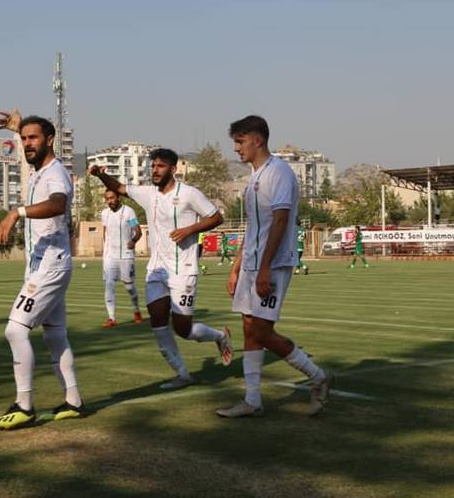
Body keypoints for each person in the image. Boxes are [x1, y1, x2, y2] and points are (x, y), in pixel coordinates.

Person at [217, 115, 332, 418]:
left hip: (274, 263)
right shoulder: (254, 177)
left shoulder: (278, 172)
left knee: (263, 332)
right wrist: (236, 267)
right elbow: (254, 227)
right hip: (252, 264)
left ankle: (318, 377)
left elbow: (281, 220)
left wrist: (265, 267)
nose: (236, 148)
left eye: (239, 141)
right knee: (248, 328)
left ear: (257, 139)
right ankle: (253, 400)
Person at [90, 149, 233, 390]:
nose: (154, 170)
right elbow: (121, 187)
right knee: (157, 323)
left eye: (160, 166)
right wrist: (100, 176)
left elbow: (216, 217)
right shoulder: (148, 194)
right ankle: (182, 374)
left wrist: (190, 230)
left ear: (173, 169)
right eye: (153, 166)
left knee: (183, 329)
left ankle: (220, 336)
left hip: (183, 269)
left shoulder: (189, 194)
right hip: (156, 270)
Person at [0, 110, 84, 430]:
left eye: (33, 139)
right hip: (44, 265)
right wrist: (19, 128)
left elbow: (58, 204)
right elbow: (32, 141)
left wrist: (17, 212)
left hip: (50, 267)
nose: (27, 144)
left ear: (51, 141)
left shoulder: (56, 174)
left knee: (15, 329)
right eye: (24, 139)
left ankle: (24, 406)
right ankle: (73, 401)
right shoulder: (40, 170)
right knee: (56, 336)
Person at [100, 189, 143, 327]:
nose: (110, 201)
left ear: (118, 197)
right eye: (107, 199)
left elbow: (138, 231)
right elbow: (105, 232)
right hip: (110, 256)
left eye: (112, 198)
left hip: (126, 255)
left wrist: (133, 241)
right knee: (109, 285)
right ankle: (111, 318)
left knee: (129, 287)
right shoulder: (104, 214)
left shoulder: (128, 212)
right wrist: (105, 248)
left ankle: (136, 310)